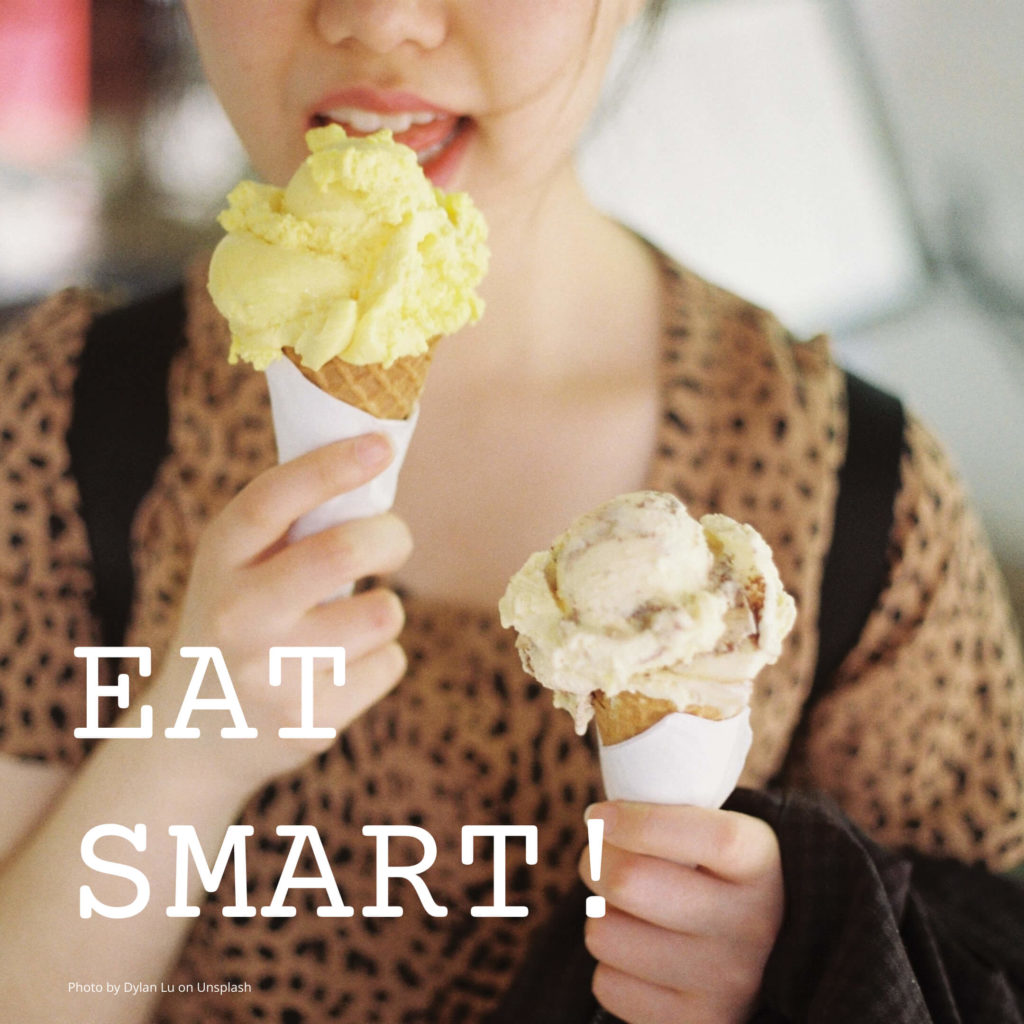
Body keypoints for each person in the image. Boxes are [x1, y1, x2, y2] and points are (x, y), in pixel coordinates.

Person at [0, 2, 1021, 1022]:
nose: (376, 19)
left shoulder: (860, 499)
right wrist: (182, 749)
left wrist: (807, 963)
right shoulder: (60, 417)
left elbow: (986, 962)